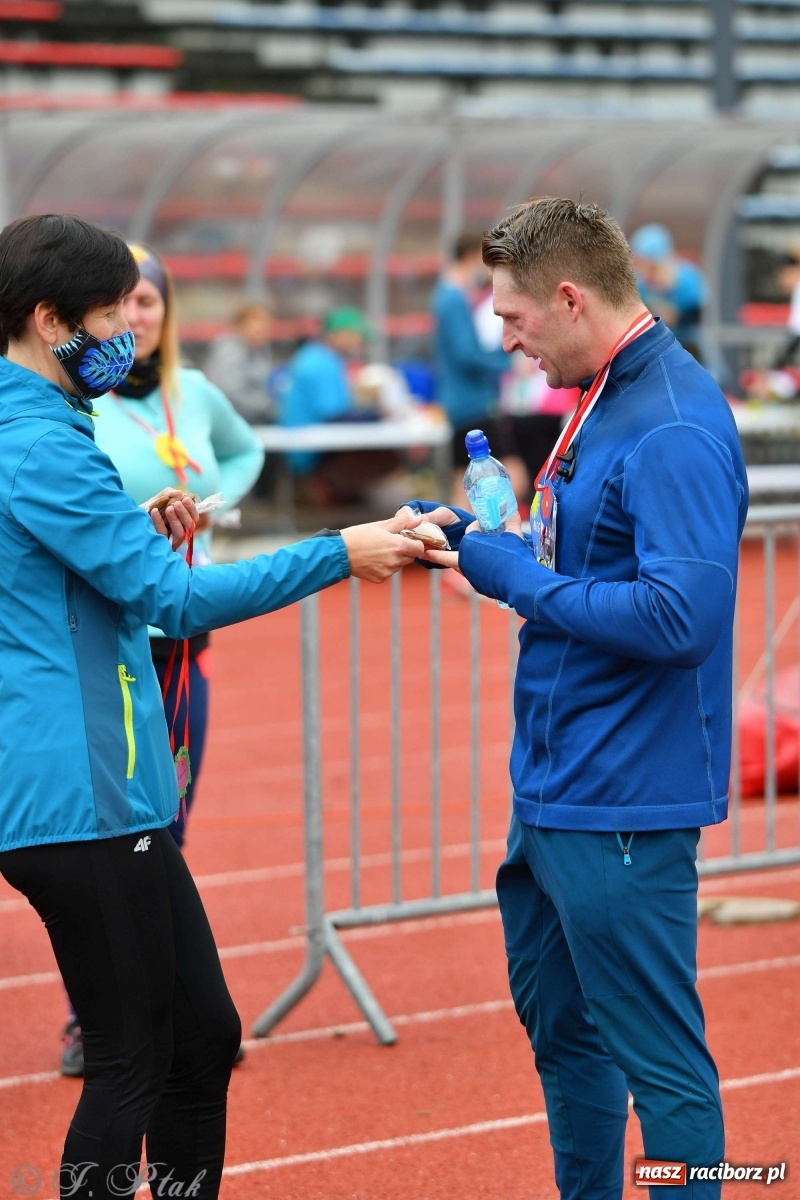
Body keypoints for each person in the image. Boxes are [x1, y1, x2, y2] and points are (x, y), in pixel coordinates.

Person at [0, 213, 423, 1200]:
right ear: (46, 317)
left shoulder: (38, 427)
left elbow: (53, 573)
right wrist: (338, 552)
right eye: (109, 316)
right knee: (131, 1059)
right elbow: (174, 600)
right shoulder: (38, 439)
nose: (130, 335)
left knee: (201, 1036)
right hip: (82, 791)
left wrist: (126, 535)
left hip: (102, 785)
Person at [404, 198, 748, 1199]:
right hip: (555, 783)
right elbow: (577, 561)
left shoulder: (672, 423)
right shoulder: (601, 396)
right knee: (564, 1038)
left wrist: (512, 579)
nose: (502, 338)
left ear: (565, 297)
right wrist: (484, 546)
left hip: (624, 798)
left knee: (658, 1064)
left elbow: (679, 619)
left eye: (510, 317)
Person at [56, 242, 266, 1077]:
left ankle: (163, 1012)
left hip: (184, 644)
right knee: (116, 841)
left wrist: (216, 509)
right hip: (108, 647)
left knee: (167, 831)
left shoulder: (194, 392)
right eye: (121, 303)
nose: (135, 317)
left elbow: (245, 453)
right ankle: (93, 1020)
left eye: (148, 303)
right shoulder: (73, 402)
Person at [431, 232, 526, 504]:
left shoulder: (451, 296)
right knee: (510, 476)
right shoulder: (452, 299)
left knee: (466, 481)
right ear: (473, 256)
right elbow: (466, 354)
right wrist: (508, 362)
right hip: (472, 403)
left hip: (463, 402)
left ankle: (459, 540)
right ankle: (476, 537)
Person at [277, 306, 399, 506]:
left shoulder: (319, 358)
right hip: (310, 453)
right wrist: (378, 415)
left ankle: (343, 503)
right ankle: (329, 497)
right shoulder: (320, 362)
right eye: (357, 337)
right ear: (341, 334)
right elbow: (333, 414)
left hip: (314, 444)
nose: (360, 343)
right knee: (386, 457)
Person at [630, 222, 707, 359]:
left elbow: (700, 313)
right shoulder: (639, 285)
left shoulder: (688, 279)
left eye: (652, 266)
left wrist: (676, 315)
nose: (647, 272)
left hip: (692, 349)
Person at [203, 300, 274, 424]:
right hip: (231, 422)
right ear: (240, 325)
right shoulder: (229, 351)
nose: (261, 329)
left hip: (254, 420)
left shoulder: (260, 350)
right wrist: (269, 405)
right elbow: (231, 393)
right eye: (254, 323)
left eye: (264, 323)